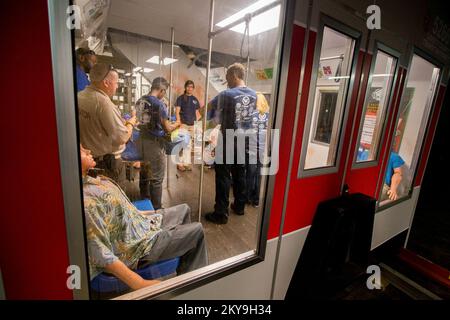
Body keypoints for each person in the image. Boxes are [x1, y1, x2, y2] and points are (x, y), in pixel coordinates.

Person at [81, 146, 208, 291]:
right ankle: (195, 290)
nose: (88, 151)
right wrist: (139, 283)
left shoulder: (91, 180)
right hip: (137, 248)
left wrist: (142, 214)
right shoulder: (87, 203)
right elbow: (100, 253)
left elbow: (116, 210)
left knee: (184, 209)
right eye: (81, 151)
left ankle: (185, 268)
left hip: (140, 226)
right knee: (197, 232)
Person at [205, 63, 257, 224]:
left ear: (234, 75)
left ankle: (221, 213)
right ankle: (239, 206)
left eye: (227, 77)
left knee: (223, 176)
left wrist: (212, 116)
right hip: (244, 139)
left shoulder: (227, 94)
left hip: (228, 139)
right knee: (240, 173)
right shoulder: (254, 94)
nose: (226, 80)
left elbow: (207, 109)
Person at [78, 63, 137, 190]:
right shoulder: (103, 103)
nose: (117, 87)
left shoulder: (79, 96)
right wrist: (131, 122)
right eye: (116, 83)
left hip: (90, 162)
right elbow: (122, 137)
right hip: (108, 165)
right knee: (115, 199)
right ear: (106, 82)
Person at [136, 77, 181, 209]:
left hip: (141, 141)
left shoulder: (140, 100)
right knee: (156, 178)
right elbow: (167, 128)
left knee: (144, 172)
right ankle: (156, 210)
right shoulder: (159, 104)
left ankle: (144, 201)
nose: (164, 94)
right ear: (162, 90)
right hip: (154, 144)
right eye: (164, 91)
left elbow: (139, 120)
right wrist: (176, 124)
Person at [246, 93, 269, 208]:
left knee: (250, 174)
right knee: (259, 175)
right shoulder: (269, 115)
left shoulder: (252, 114)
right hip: (263, 150)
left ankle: (248, 197)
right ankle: (256, 200)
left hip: (252, 149)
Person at [175, 80, 202, 171]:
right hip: (184, 125)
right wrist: (179, 122)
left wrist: (197, 124)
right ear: (185, 87)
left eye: (191, 87)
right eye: (188, 86)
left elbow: (197, 113)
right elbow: (177, 111)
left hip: (192, 125)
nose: (190, 88)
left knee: (189, 145)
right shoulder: (181, 98)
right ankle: (179, 164)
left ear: (193, 88)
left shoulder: (195, 100)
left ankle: (186, 163)